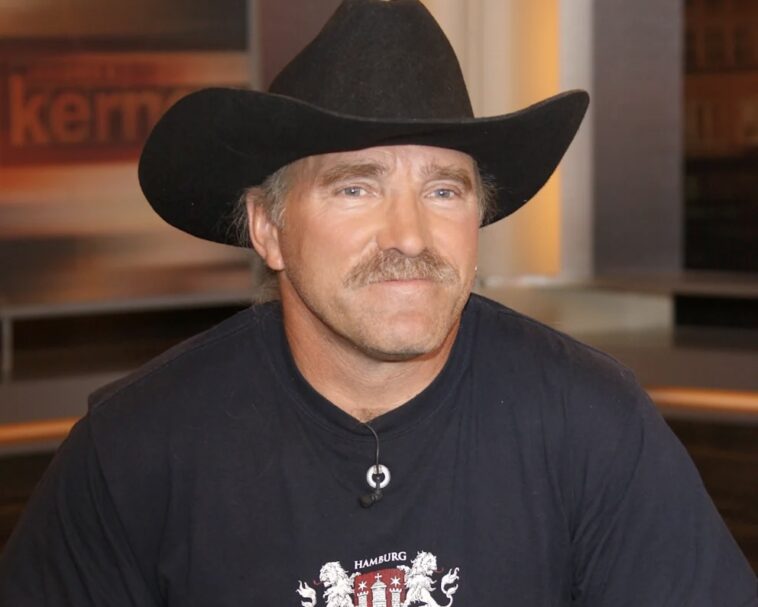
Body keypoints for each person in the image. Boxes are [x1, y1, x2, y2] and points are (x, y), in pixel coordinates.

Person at [1, 0, 755, 605]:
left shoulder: (592, 421)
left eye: (444, 190)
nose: (410, 235)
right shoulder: (135, 450)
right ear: (268, 229)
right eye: (357, 187)